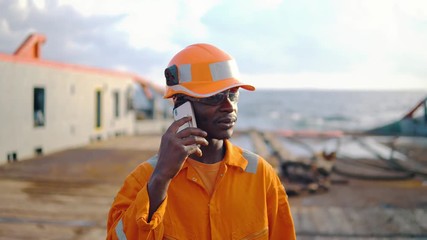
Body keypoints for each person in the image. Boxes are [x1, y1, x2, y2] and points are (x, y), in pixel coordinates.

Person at [106, 43, 296, 239]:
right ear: (182, 106)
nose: (229, 106)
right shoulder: (145, 179)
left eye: (233, 94)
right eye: (214, 97)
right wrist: (160, 179)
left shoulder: (261, 175)